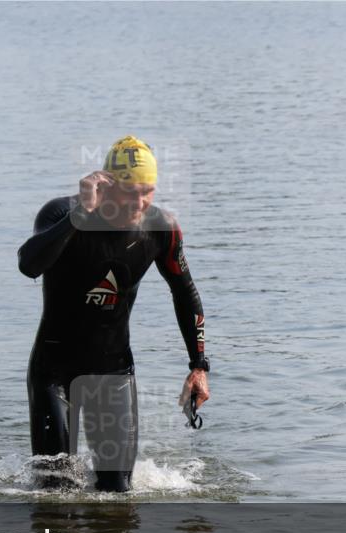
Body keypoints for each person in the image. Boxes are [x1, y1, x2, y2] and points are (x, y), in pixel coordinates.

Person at [17, 136, 209, 492]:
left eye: (147, 191)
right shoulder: (62, 213)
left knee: (118, 494)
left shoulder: (160, 229)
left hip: (114, 370)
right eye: (129, 191)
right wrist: (79, 216)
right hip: (55, 372)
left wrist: (198, 366)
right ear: (106, 183)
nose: (139, 202)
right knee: (55, 490)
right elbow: (29, 264)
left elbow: (185, 293)